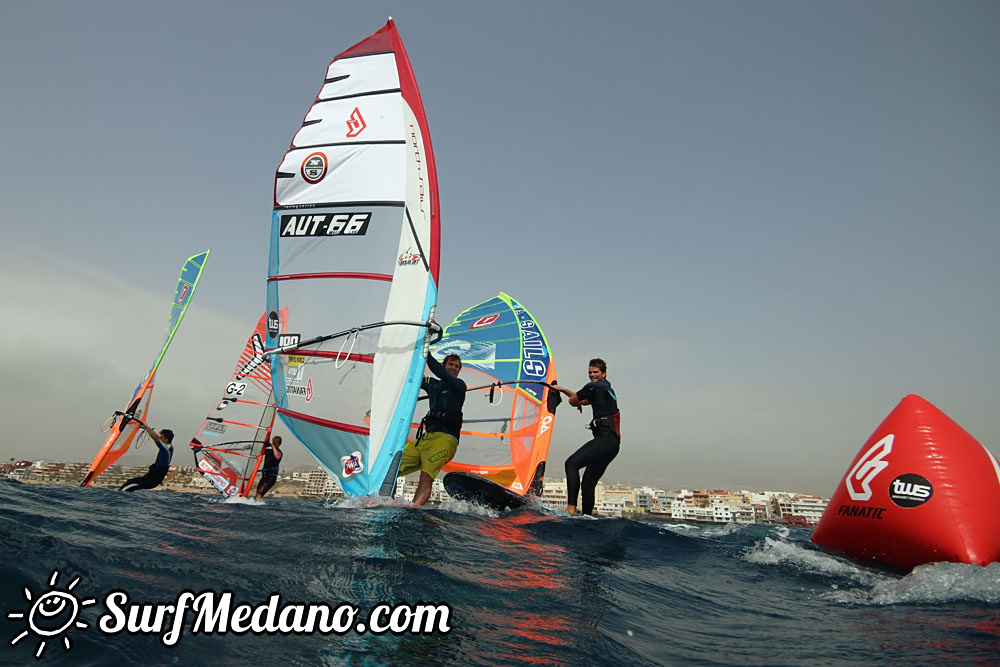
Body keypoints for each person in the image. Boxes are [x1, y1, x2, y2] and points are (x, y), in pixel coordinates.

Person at [552, 358, 620, 515]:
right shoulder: (606, 390)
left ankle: (571, 509)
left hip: (605, 440)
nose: (592, 375)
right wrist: (562, 389)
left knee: (571, 464)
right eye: (590, 372)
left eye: (595, 372)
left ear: (604, 374)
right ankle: (588, 517)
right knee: (588, 483)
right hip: (612, 445)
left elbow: (573, 401)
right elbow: (581, 401)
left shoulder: (593, 386)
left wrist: (572, 399)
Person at [397, 352, 466, 505]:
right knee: (392, 467)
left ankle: (414, 511)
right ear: (444, 365)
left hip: (445, 440)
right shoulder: (433, 383)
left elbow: (440, 372)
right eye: (450, 365)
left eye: (457, 366)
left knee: (426, 476)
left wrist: (425, 351)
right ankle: (385, 502)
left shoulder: (459, 386)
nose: (454, 368)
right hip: (426, 439)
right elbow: (413, 379)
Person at [120, 423, 174, 492]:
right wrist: (149, 430)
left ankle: (118, 495)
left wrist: (146, 427)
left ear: (166, 439)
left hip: (152, 480)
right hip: (151, 478)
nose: (160, 439)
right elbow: (157, 437)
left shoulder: (165, 448)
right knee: (131, 484)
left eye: (161, 438)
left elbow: (155, 437)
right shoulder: (169, 446)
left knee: (130, 484)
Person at [255, 436, 283, 501]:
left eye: (277, 442)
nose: (275, 443)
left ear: (279, 444)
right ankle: (256, 504)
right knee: (257, 493)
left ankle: (258, 506)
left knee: (259, 494)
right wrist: (249, 447)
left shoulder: (279, 452)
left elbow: (277, 457)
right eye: (274, 442)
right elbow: (258, 450)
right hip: (264, 476)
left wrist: (272, 446)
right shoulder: (268, 451)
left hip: (270, 478)